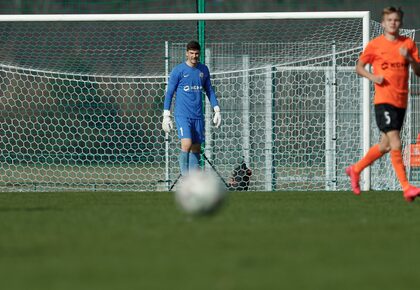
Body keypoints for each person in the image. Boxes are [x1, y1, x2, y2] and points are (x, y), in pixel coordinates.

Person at [346, 6, 420, 202]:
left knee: (385, 145)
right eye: (389, 20)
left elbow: (419, 71)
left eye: (396, 20)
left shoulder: (408, 44)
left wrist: (410, 59)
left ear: (400, 23)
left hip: (400, 101)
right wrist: (373, 77)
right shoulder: (375, 45)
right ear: (383, 23)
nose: (393, 23)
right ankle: (406, 187)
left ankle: (355, 169)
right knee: (396, 141)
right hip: (383, 101)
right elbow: (359, 67)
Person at [162, 40, 221, 175]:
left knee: (196, 147)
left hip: (197, 116)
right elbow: (170, 92)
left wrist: (216, 109)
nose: (194, 56)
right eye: (191, 53)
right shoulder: (178, 71)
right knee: (186, 144)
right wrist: (166, 115)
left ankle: (194, 180)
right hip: (182, 115)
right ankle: (185, 179)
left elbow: (209, 90)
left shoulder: (203, 70)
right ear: (187, 54)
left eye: (196, 53)